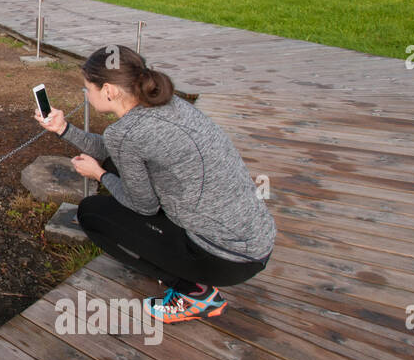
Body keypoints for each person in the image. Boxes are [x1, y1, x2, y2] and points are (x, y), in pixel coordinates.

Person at [33, 45, 276, 323]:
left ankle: (194, 293)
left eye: (88, 89)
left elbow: (143, 206)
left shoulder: (126, 133)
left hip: (224, 258)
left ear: (109, 91)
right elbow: (115, 151)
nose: (86, 95)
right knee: (115, 169)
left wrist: (98, 175)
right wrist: (64, 129)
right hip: (256, 240)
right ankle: (179, 263)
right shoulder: (171, 104)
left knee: (91, 213)